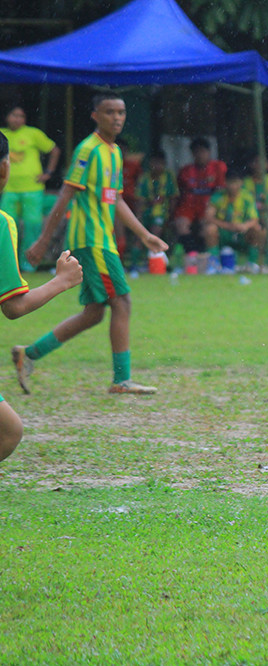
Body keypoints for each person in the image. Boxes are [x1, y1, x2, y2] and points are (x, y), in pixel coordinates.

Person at [15, 93, 169, 395]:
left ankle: (28, 354)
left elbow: (116, 199)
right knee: (122, 302)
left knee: (95, 312)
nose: (117, 117)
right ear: (95, 115)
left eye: (121, 112)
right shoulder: (88, 150)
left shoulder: (114, 151)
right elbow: (65, 194)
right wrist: (44, 241)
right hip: (91, 241)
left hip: (101, 241)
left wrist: (143, 234)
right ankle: (121, 380)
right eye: (109, 112)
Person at [0, 133, 82, 461]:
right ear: (4, 169)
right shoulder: (2, 225)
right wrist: (61, 281)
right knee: (9, 431)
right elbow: (13, 306)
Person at [0, 106, 61, 272]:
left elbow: (54, 150)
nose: (17, 119)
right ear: (7, 117)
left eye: (21, 116)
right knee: (5, 226)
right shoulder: (2, 134)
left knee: (32, 225)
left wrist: (48, 172)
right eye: (14, 115)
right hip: (8, 189)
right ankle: (8, 264)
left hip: (32, 188)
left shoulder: (33, 133)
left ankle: (28, 264)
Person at [204, 167, 264, 273]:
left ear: (241, 183)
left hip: (241, 233)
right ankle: (213, 264)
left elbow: (255, 219)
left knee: (257, 229)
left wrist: (244, 226)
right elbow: (208, 217)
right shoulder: (217, 196)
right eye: (230, 182)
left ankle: (252, 264)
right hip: (223, 233)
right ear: (225, 182)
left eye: (236, 182)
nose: (233, 186)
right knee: (210, 229)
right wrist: (227, 226)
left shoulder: (247, 197)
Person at [174, 137, 226, 257]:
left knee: (206, 226)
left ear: (209, 152)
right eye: (196, 152)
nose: (200, 155)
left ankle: (205, 255)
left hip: (210, 206)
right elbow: (181, 193)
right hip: (190, 206)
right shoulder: (185, 171)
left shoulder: (218, 167)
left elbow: (222, 191)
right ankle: (192, 254)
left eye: (202, 151)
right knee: (181, 224)